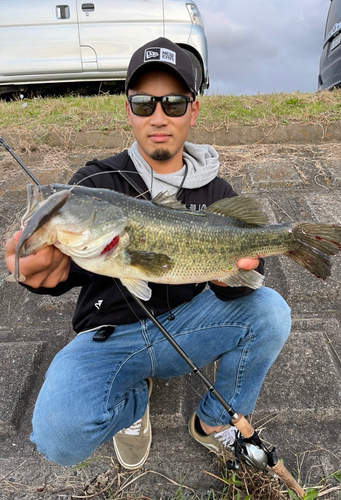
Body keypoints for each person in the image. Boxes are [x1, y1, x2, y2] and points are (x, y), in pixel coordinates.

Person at [4, 38, 291, 471]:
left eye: (173, 103)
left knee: (270, 311)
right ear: (128, 110)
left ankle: (213, 422)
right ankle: (133, 403)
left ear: (194, 110)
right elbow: (64, 268)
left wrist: (231, 276)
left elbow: (250, 270)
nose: (158, 117)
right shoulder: (95, 181)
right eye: (143, 103)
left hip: (186, 330)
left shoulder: (217, 193)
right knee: (57, 439)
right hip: (109, 337)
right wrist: (40, 271)